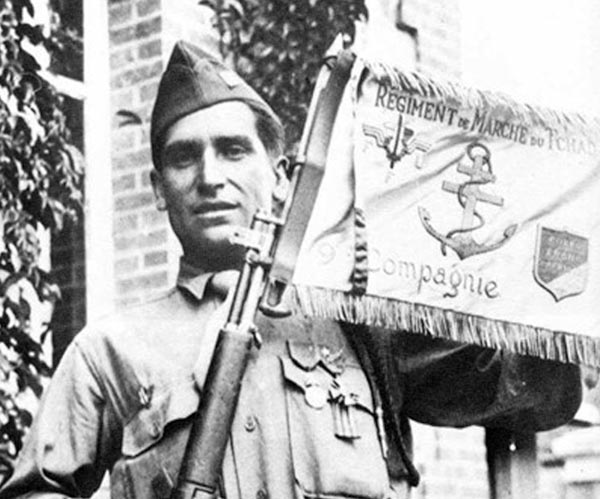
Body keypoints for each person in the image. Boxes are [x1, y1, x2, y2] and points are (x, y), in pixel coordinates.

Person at [0, 40, 582, 499]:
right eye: (184, 157)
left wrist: (561, 289)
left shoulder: (361, 322)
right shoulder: (110, 351)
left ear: (280, 176)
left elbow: (535, 392)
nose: (209, 177)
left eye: (233, 150)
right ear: (157, 188)